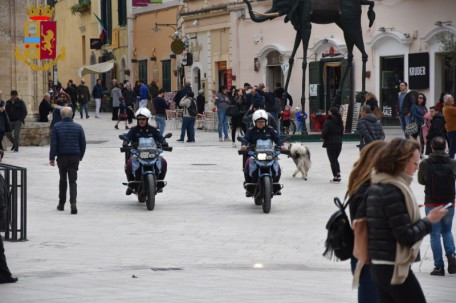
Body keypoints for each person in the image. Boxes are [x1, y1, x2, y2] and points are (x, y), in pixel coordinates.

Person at [363, 138, 448, 303]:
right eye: (414, 163)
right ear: (401, 161)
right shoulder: (393, 190)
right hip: (392, 266)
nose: (417, 167)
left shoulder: (379, 184)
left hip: (379, 265)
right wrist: (429, 220)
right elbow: (405, 236)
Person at [348, 140, 386, 303]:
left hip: (370, 253)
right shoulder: (367, 189)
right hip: (369, 254)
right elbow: (364, 222)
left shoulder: (364, 184)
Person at [418, 136, 456, 276]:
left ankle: (439, 267)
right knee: (447, 231)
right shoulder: (452, 162)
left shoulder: (425, 163)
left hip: (431, 202)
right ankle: (451, 256)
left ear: (432, 147)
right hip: (448, 202)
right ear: (445, 147)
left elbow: (421, 181)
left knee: (434, 234)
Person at [240, 109, 287, 196]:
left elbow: (277, 139)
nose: (261, 123)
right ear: (255, 122)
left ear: (266, 121)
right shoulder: (251, 130)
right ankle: (249, 187)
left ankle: (276, 186)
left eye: (263, 121)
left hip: (269, 153)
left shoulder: (270, 130)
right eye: (259, 122)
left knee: (278, 167)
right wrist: (244, 145)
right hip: (254, 154)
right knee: (247, 164)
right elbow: (246, 138)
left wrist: (281, 145)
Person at [49, 107, 86, 215]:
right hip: (74, 156)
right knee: (73, 181)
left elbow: (54, 144)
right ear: (72, 115)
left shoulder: (56, 127)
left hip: (62, 157)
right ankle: (73, 204)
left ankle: (61, 203)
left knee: (63, 180)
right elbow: (83, 143)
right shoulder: (78, 127)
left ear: (61, 115)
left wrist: (52, 158)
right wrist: (80, 156)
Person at [124, 108, 168, 195]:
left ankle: (159, 183)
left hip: (152, 153)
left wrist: (164, 142)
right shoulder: (133, 130)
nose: (141, 121)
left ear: (147, 119)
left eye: (143, 119)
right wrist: (125, 142)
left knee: (163, 162)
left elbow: (160, 137)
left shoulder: (153, 130)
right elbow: (128, 138)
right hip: (137, 154)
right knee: (129, 164)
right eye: (139, 119)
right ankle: (131, 184)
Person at [322, 107, 343, 183]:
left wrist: (323, 137)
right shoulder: (340, 120)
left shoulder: (328, 121)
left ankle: (335, 177)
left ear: (331, 112)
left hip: (330, 142)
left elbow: (325, 131)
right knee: (335, 159)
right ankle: (338, 173)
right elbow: (342, 131)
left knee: (332, 160)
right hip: (339, 142)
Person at [442, 94, 456, 158]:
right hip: (453, 130)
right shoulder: (449, 108)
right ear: (447, 101)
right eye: (451, 99)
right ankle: (451, 161)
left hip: (450, 130)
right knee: (452, 148)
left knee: (452, 147)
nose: (453, 100)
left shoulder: (445, 107)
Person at [0, 91, 11, 155]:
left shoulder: (3, 103)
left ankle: (1, 153)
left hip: (2, 126)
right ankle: (1, 153)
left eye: (0, 95)